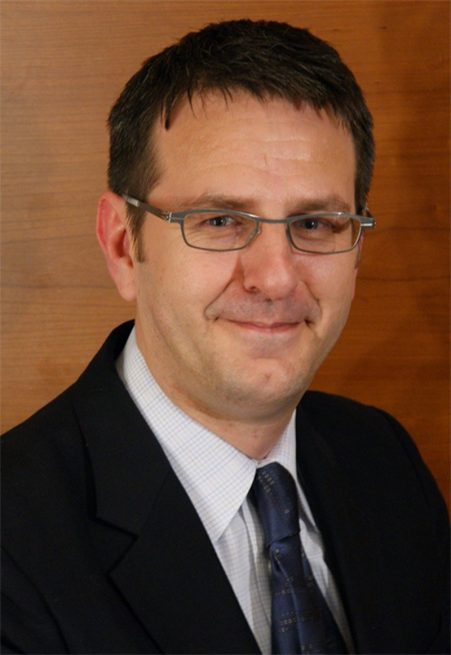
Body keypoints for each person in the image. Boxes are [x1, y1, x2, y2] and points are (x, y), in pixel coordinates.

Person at [1, 19, 448, 655]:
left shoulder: (384, 462)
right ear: (125, 246)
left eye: (316, 222)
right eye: (219, 220)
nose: (274, 277)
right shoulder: (14, 545)